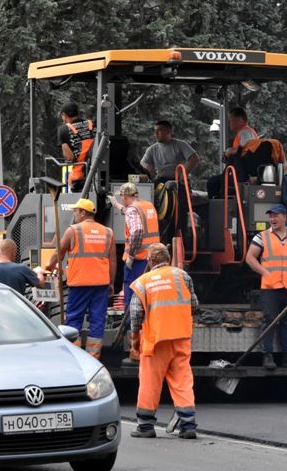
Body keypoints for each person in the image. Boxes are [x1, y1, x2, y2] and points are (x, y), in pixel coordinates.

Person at [129, 243, 199, 440]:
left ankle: (145, 426)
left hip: (155, 340)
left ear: (150, 261)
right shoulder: (182, 276)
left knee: (150, 381)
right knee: (182, 380)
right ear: (167, 259)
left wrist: (134, 340)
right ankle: (188, 425)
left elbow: (135, 314)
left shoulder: (142, 282)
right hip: (181, 336)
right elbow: (194, 304)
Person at [46, 198, 116, 359]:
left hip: (80, 283)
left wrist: (50, 267)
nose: (74, 214)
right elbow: (112, 260)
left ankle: (75, 355)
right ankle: (93, 356)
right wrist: (111, 282)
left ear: (83, 213)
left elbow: (59, 253)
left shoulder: (73, 230)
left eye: (76, 211)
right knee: (98, 320)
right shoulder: (108, 232)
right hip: (101, 284)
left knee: (74, 318)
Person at [244, 204, 287, 370]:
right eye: (270, 216)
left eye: (275, 216)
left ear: (284, 217)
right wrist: (265, 273)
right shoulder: (262, 237)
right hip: (271, 287)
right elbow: (250, 258)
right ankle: (267, 356)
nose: (272, 219)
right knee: (269, 321)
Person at [110, 182, 160, 365]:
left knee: (134, 303)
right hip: (150, 260)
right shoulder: (147, 206)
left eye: (121, 196)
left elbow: (137, 230)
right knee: (147, 302)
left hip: (137, 261)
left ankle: (135, 351)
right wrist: (116, 206)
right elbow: (134, 216)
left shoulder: (132, 210)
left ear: (124, 195)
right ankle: (148, 347)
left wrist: (130, 256)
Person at [207, 107, 260, 198]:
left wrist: (230, 151)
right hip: (240, 173)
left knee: (212, 182)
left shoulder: (245, 132)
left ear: (239, 120)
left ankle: (215, 207)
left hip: (241, 175)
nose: (229, 123)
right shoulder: (245, 132)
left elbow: (246, 150)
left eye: (231, 120)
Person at [56, 102, 95, 192]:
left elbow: (69, 157)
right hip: (97, 173)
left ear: (64, 114)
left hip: (80, 177)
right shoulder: (91, 124)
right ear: (77, 113)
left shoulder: (63, 130)